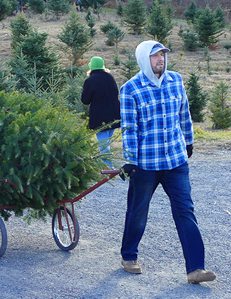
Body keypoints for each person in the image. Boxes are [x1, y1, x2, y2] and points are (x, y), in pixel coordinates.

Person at [119, 40, 216, 284]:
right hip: (145, 165)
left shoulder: (176, 80)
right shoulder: (131, 89)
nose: (160, 59)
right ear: (144, 59)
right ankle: (129, 256)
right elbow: (129, 128)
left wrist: (189, 141)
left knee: (186, 212)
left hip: (175, 161)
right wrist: (130, 159)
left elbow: (185, 114)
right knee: (138, 212)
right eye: (154, 56)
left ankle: (196, 268)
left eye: (162, 54)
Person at [81, 57, 120, 168]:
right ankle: (106, 165)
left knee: (103, 145)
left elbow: (85, 100)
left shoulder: (90, 80)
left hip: (100, 117)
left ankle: (107, 168)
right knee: (106, 142)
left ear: (91, 67)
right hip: (114, 114)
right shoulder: (110, 77)